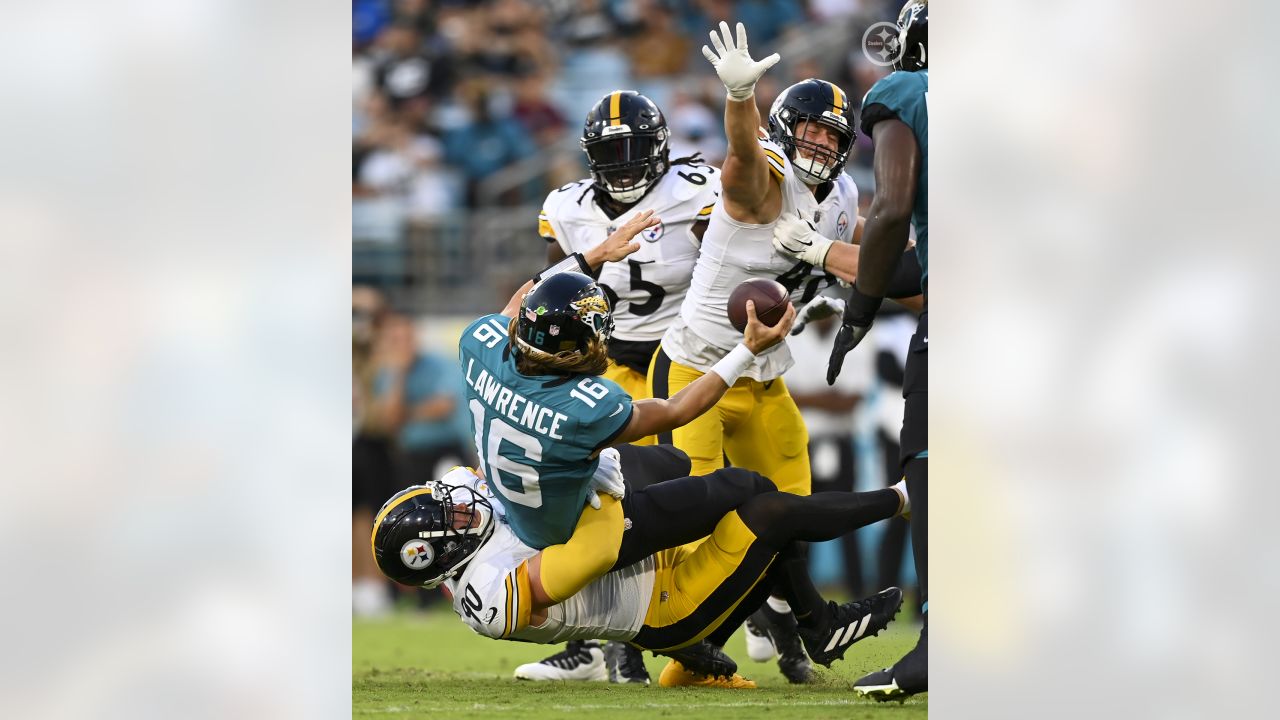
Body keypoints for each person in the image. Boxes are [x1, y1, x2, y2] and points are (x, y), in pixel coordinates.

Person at [458, 226, 796, 685]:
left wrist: (591, 256)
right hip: (568, 528)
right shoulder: (583, 406)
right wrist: (746, 350)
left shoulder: (479, 342)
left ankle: (599, 652)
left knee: (668, 467)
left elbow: (522, 300)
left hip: (512, 512)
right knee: (711, 494)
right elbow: (679, 409)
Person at [645, 21, 863, 683]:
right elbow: (740, 172)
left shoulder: (846, 197)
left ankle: (782, 620)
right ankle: (680, 655)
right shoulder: (764, 170)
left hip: (765, 377)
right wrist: (740, 100)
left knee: (790, 511)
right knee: (689, 525)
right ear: (784, 128)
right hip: (696, 370)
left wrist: (824, 275)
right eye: (811, 130)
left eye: (833, 134)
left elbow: (874, 268)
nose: (820, 144)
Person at [370, 459, 910, 688]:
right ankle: (903, 499)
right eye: (452, 518)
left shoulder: (469, 530)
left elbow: (478, 468)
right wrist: (593, 477)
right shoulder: (487, 595)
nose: (464, 505)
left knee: (753, 487)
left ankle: (816, 622)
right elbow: (594, 553)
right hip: (665, 608)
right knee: (768, 517)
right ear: (441, 556)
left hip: (652, 560)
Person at [530, 88, 721, 683]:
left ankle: (714, 619)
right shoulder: (566, 208)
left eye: (635, 149)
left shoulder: (696, 189)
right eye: (610, 152)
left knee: (679, 493)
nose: (623, 163)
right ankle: (589, 641)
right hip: (602, 361)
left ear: (660, 147)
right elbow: (550, 286)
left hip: (680, 354)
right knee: (593, 498)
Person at [826, 1, 929, 701]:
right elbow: (915, 263)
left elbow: (892, 210)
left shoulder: (908, 92)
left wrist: (859, 309)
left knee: (932, 469)